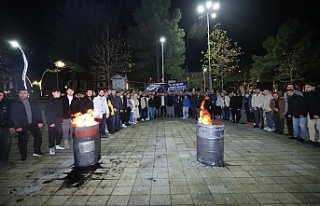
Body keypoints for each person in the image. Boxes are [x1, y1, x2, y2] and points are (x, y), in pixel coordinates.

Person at [10, 88, 44, 161]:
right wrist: (17, 126)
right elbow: (13, 115)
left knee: (38, 137)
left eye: (24, 93)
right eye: (21, 93)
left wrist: (40, 121)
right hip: (22, 124)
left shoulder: (32, 101)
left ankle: (37, 151)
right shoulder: (15, 103)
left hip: (33, 123)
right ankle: (23, 156)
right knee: (22, 141)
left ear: (28, 94)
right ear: (18, 94)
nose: (22, 95)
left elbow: (37, 111)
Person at [45, 88, 64, 155]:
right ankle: (51, 147)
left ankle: (58, 144)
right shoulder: (49, 101)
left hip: (58, 120)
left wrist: (61, 120)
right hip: (52, 121)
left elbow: (61, 111)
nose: (59, 94)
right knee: (52, 135)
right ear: (53, 93)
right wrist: (50, 122)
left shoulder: (60, 100)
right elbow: (47, 112)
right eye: (57, 93)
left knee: (59, 133)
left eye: (59, 93)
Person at [0, 90, 14, 165]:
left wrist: (11, 126)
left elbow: (9, 115)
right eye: (0, 95)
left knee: (6, 144)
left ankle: (5, 159)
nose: (1, 97)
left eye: (2, 95)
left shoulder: (5, 103)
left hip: (5, 126)